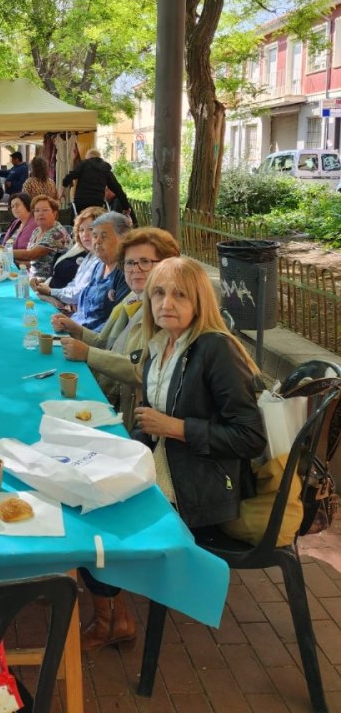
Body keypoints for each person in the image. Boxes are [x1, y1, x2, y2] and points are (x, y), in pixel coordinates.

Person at [80, 256, 266, 652]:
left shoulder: (216, 349)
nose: (166, 303)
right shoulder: (159, 344)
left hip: (203, 488)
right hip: (165, 467)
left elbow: (251, 438)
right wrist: (122, 452)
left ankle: (112, 617)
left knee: (91, 521)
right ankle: (112, 610)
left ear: (199, 302)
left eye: (180, 295)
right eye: (159, 294)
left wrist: (177, 428)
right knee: (81, 486)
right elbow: (148, 423)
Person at [58, 227, 180, 429]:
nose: (135, 269)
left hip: (129, 417)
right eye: (130, 262)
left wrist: (88, 354)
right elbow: (106, 344)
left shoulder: (167, 312)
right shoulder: (134, 298)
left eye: (145, 261)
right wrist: (76, 330)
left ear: (167, 265)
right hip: (107, 395)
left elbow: (143, 372)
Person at [52, 211, 131, 332]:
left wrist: (76, 330)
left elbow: (113, 327)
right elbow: (84, 312)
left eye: (104, 236)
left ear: (123, 238)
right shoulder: (99, 266)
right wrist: (67, 322)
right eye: (95, 236)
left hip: (91, 339)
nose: (97, 241)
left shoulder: (127, 274)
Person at [31, 206, 105, 307]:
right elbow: (74, 285)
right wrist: (48, 288)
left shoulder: (101, 260)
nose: (84, 234)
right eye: (81, 230)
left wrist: (50, 291)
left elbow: (79, 294)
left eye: (90, 229)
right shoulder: (90, 255)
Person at [12, 195, 71, 279]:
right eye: (37, 210)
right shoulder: (37, 231)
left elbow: (30, 255)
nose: (40, 213)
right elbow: (32, 263)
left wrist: (4, 252)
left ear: (54, 213)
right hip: (32, 278)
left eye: (45, 210)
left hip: (49, 282)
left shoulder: (57, 233)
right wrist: (12, 261)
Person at [61, 148, 125, 213]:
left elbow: (70, 176)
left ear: (88, 157)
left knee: (76, 216)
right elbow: (117, 188)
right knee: (96, 217)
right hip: (97, 203)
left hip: (81, 201)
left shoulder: (83, 164)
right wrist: (126, 206)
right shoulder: (105, 169)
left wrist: (64, 184)